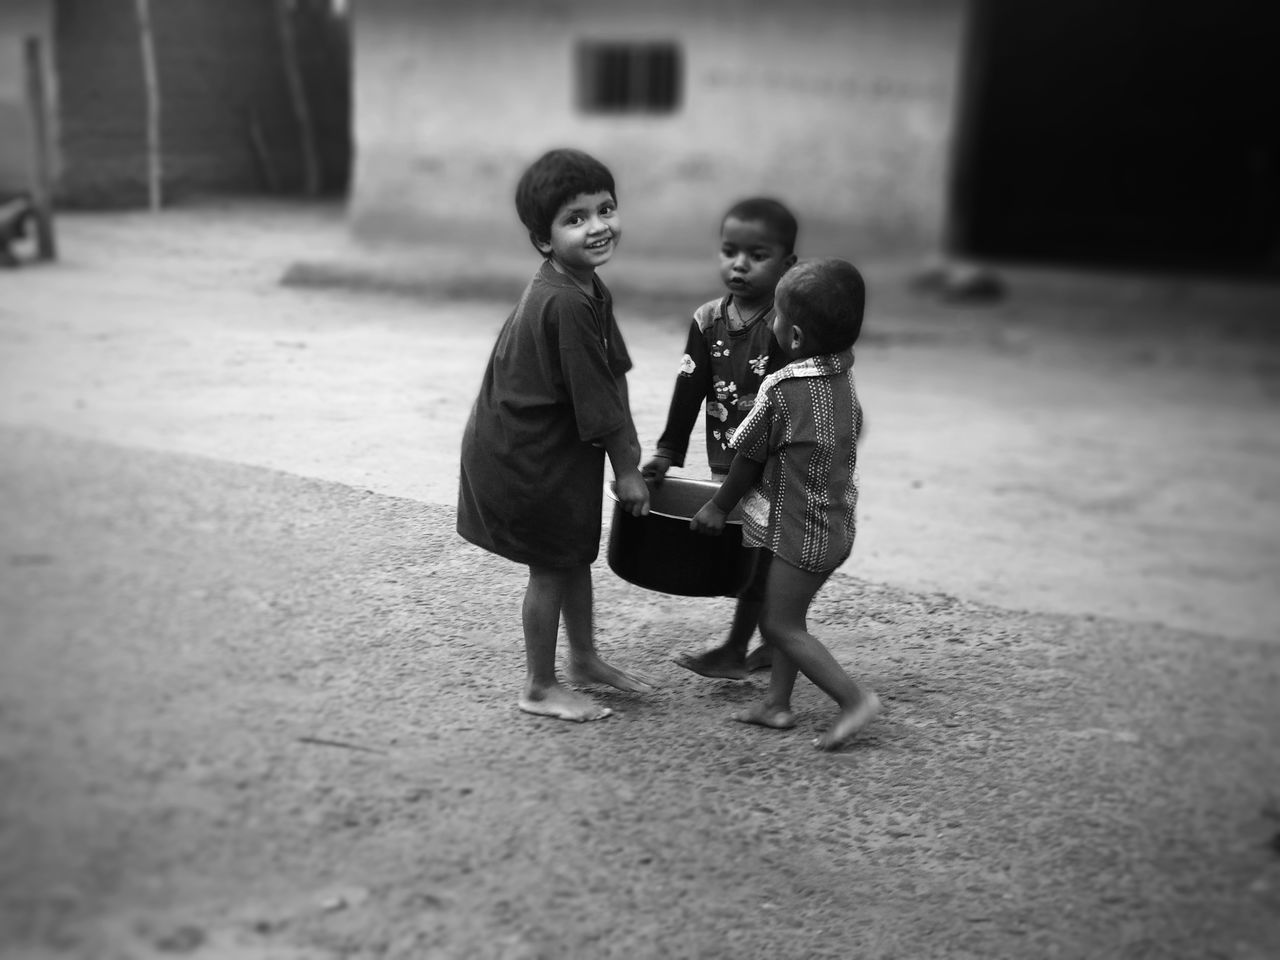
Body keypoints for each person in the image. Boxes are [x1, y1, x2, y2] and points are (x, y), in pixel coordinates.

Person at [457, 148, 654, 723]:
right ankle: (540, 686)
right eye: (575, 219)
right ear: (544, 241)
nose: (597, 227)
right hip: (526, 455)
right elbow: (597, 402)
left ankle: (585, 659)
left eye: (606, 209)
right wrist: (626, 470)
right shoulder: (565, 300)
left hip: (552, 448)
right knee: (550, 565)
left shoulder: (587, 286)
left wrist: (635, 455)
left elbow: (610, 373)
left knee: (573, 555)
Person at [690, 258, 881, 750]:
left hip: (802, 534)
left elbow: (747, 454)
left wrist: (718, 507)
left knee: (779, 624)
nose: (769, 322)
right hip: (833, 523)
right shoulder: (842, 373)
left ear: (793, 336)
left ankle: (854, 699)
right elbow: (854, 428)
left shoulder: (783, 387)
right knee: (788, 617)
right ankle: (777, 706)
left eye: (774, 315)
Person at [642, 197, 798, 680]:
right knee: (754, 554)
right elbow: (688, 390)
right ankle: (771, 641)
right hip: (727, 461)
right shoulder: (708, 319)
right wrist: (667, 453)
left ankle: (742, 647)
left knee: (762, 554)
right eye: (730, 251)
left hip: (778, 463)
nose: (740, 264)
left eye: (758, 254)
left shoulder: (787, 323)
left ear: (787, 265)